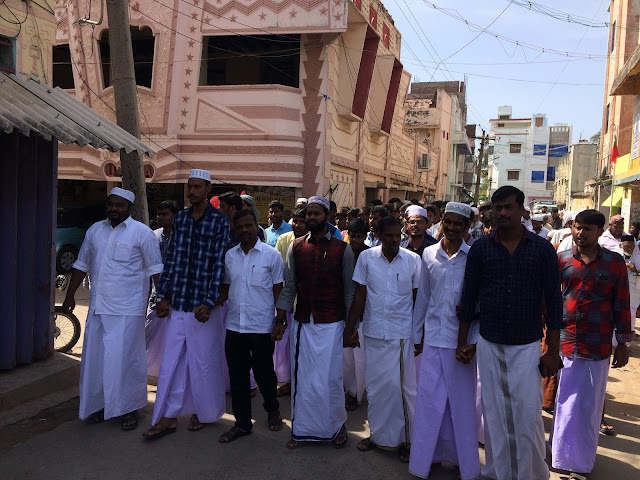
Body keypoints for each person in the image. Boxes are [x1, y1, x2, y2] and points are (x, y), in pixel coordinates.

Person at [458, 185, 563, 480]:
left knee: (527, 414)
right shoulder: (481, 249)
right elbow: (469, 297)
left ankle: (532, 474)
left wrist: (552, 350)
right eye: (498, 207)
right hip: (489, 341)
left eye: (508, 207)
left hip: (526, 344)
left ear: (522, 211)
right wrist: (462, 341)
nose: (502, 212)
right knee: (494, 413)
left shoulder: (541, 249)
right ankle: (497, 472)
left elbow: (555, 302)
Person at [62, 187, 163, 430]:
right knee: (96, 360)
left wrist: (162, 299)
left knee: (125, 359)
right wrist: (70, 295)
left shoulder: (142, 233)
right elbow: (82, 264)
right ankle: (99, 405)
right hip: (98, 307)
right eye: (110, 204)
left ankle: (128, 408)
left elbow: (155, 269)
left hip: (128, 309)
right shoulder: (95, 230)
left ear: (131, 209)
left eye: (119, 205)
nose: (114, 209)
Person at [143, 169, 229, 439]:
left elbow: (219, 264)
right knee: (172, 362)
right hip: (178, 303)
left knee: (203, 363)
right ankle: (167, 416)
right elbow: (172, 260)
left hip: (203, 308)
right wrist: (161, 296)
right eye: (189, 187)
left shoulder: (219, 221)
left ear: (208, 189)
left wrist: (209, 302)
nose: (191, 191)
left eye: (197, 187)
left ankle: (204, 413)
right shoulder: (180, 218)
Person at [551, 210, 632, 479]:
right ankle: (560, 457)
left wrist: (623, 342)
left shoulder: (614, 262)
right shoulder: (562, 258)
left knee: (589, 405)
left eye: (587, 228)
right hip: (565, 342)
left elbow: (622, 303)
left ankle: (581, 462)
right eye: (577, 227)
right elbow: (551, 299)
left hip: (597, 345)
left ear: (599, 231)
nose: (580, 233)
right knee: (563, 401)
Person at [274, 196, 355, 449]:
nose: (311, 217)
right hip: (303, 322)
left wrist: (350, 328)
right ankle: (301, 430)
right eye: (308, 213)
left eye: (316, 213)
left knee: (331, 379)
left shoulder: (342, 249)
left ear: (328, 216)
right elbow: (289, 288)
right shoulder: (296, 247)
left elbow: (349, 291)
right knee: (304, 379)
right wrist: (280, 318)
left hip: (332, 323)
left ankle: (336, 427)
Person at [410, 202, 480, 480]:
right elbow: (423, 298)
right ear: (441, 223)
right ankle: (424, 462)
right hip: (433, 340)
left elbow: (478, 305)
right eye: (447, 222)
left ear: (466, 227)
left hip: (461, 345)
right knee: (429, 403)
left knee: (461, 407)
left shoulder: (474, 257)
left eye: (457, 224)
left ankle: (466, 465)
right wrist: (416, 334)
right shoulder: (428, 254)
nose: (451, 228)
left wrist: (473, 342)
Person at [345, 216, 420, 462]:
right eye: (389, 235)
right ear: (378, 235)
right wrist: (350, 327)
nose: (394, 240)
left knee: (400, 389)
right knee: (376, 389)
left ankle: (407, 441)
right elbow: (360, 296)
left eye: (398, 235)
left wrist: (419, 333)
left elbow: (418, 300)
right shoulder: (366, 258)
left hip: (400, 334)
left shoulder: (413, 260)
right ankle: (378, 436)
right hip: (373, 331)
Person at [217, 209, 285, 443]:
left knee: (264, 374)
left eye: (248, 225)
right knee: (237, 377)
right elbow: (226, 289)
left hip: (261, 327)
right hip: (235, 327)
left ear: (257, 226)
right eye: (239, 227)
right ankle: (242, 424)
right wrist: (208, 305)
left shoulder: (271, 256)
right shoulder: (229, 256)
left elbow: (278, 290)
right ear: (234, 230)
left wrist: (280, 320)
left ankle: (272, 409)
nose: (244, 230)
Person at [273, 207, 308, 397]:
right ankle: (286, 380)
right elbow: (279, 274)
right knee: (284, 345)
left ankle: (303, 381)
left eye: (301, 221)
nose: (298, 225)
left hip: (305, 302)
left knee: (303, 345)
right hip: (287, 301)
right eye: (295, 221)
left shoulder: (312, 242)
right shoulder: (284, 240)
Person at [146, 200, 179, 379]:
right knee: (150, 333)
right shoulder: (153, 236)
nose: (160, 217)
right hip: (157, 294)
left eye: (165, 214)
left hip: (178, 294)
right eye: (159, 214)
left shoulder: (183, 237)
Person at [343, 218, 369, 411]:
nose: (356, 240)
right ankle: (344, 389)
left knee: (359, 358)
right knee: (345, 358)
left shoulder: (369, 255)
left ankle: (355, 393)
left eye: (359, 237)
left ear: (365, 236)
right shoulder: (342, 252)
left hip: (363, 313)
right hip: (343, 310)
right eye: (353, 236)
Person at [620, 234, 640, 335]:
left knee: (630, 318)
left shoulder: (638, 259)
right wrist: (625, 265)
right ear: (621, 245)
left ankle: (627, 339)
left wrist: (635, 271)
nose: (630, 249)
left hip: (632, 294)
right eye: (627, 246)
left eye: (632, 247)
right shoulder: (615, 257)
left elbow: (638, 274)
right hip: (617, 293)